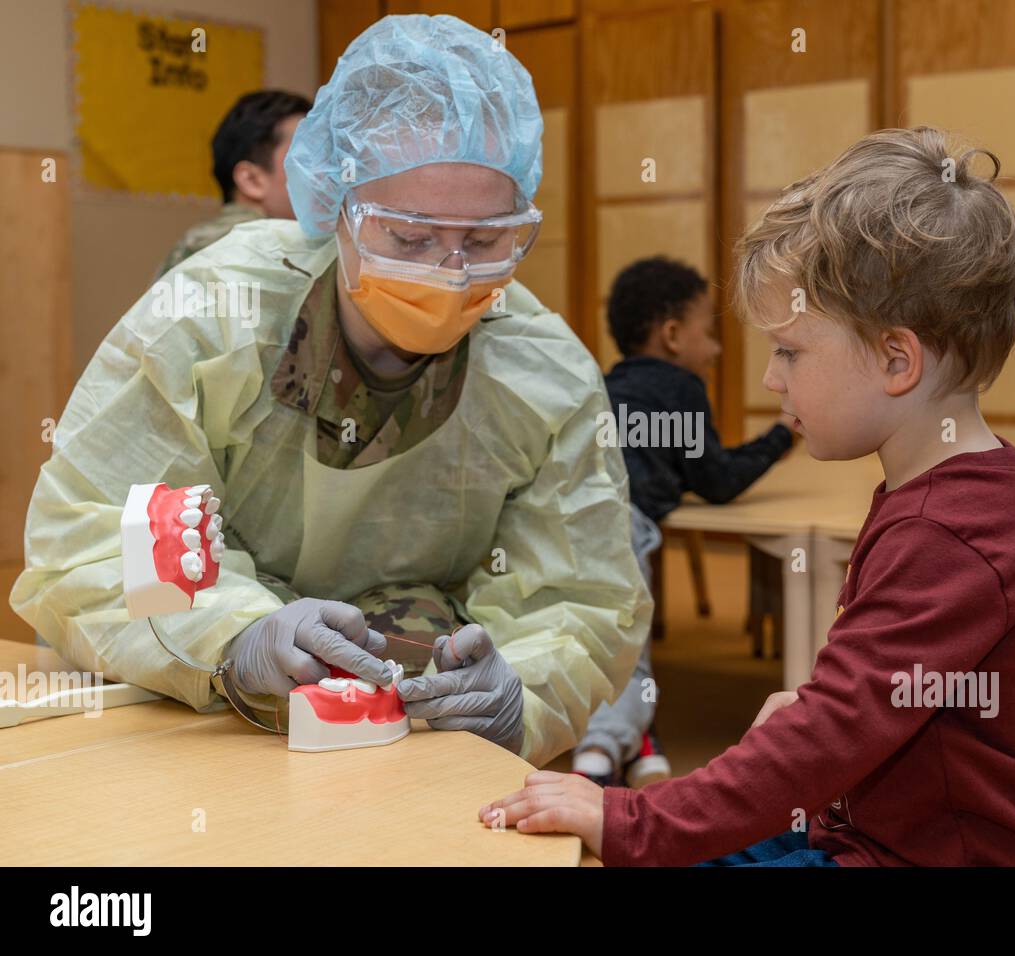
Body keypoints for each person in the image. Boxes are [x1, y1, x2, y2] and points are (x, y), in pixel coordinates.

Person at [11, 14, 650, 768]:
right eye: (409, 239)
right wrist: (233, 637)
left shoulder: (542, 375)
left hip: (420, 735)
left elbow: (581, 596)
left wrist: (518, 695)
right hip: (199, 711)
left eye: (484, 242)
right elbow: (91, 534)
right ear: (333, 205)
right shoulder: (215, 318)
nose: (449, 273)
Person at [478, 128, 1015, 866]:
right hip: (867, 833)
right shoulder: (952, 492)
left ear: (897, 359)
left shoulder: (948, 532)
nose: (772, 380)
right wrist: (811, 715)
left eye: (791, 352)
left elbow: (831, 735)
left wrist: (636, 819)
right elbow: (859, 708)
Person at [571, 257, 793, 789]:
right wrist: (783, 434)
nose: (716, 351)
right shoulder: (680, 388)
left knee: (590, 640)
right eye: (709, 333)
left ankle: (636, 736)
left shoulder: (606, 384)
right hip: (620, 525)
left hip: (567, 520)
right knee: (629, 648)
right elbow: (717, 479)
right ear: (672, 335)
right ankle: (598, 759)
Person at [156, 89, 312, 278]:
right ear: (251, 180)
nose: (329, 169)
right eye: (308, 154)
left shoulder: (207, 241)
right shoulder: (251, 250)